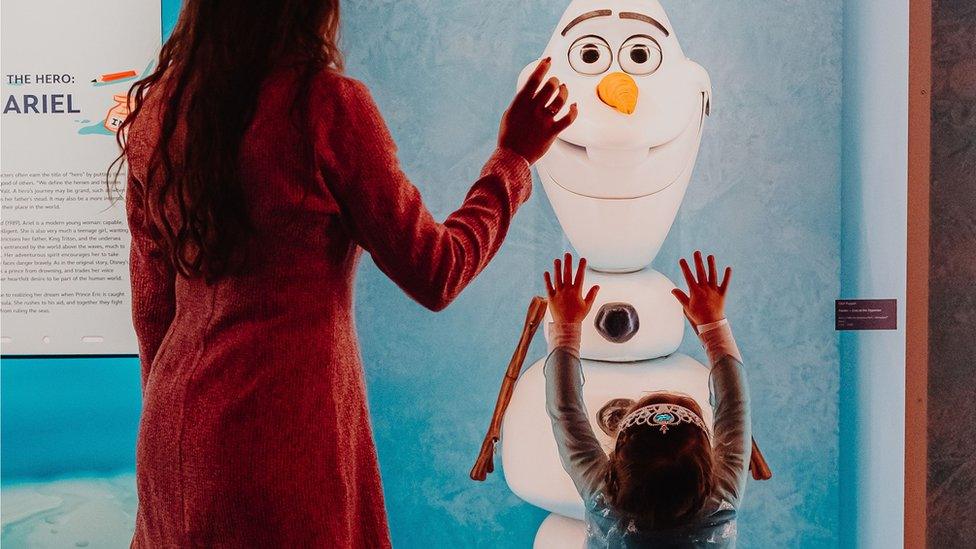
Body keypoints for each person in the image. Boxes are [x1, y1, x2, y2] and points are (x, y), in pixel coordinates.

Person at [115, 1, 576, 546]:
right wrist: (514, 158)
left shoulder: (159, 115)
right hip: (285, 441)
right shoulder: (325, 109)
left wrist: (181, 431)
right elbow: (437, 271)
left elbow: (152, 314)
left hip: (175, 435)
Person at [543, 252, 750, 547]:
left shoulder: (604, 502)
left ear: (616, 464)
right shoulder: (720, 506)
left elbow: (565, 413)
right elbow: (566, 415)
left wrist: (565, 328)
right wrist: (713, 326)